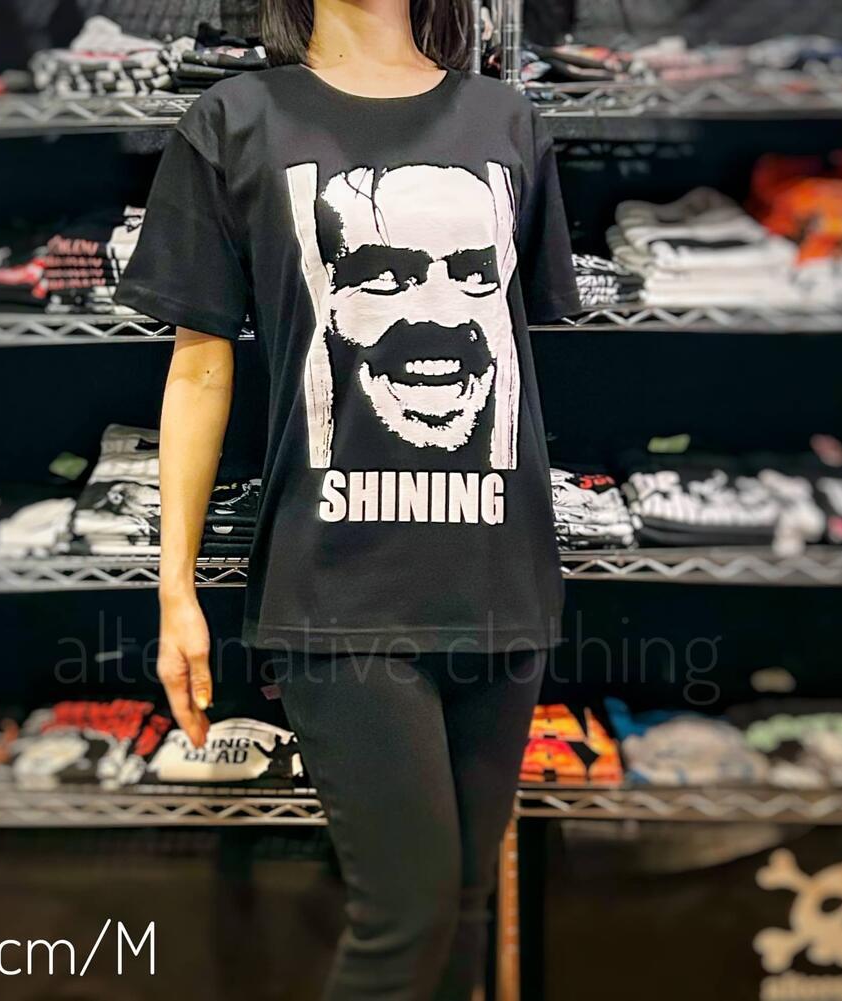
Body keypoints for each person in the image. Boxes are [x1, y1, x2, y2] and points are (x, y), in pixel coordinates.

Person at [114, 1, 580, 997]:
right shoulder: (235, 120)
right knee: (404, 918)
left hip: (501, 583)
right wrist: (174, 589)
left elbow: (522, 343)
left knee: (462, 907)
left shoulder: (506, 121)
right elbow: (198, 368)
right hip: (337, 593)